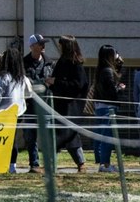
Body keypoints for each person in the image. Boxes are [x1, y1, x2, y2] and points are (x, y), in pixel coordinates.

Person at [45, 34, 88, 172]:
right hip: (60, 103)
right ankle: (52, 164)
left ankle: (80, 163)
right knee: (59, 134)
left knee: (69, 134)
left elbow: (78, 85)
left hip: (71, 105)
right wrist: (52, 83)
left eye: (61, 44)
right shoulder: (63, 61)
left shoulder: (76, 64)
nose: (59, 47)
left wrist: (56, 82)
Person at [0, 48, 29, 172]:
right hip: (18, 113)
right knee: (12, 140)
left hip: (3, 114)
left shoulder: (4, 77)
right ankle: (12, 166)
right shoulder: (22, 78)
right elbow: (29, 93)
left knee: (0, 140)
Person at [21, 33, 54, 173]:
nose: (43, 46)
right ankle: (34, 164)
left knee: (47, 135)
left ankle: (49, 163)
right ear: (32, 46)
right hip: (29, 105)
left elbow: (53, 80)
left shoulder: (50, 62)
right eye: (40, 44)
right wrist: (42, 82)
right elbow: (24, 82)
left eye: (43, 43)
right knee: (30, 136)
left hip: (45, 104)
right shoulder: (23, 63)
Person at [92, 44, 125, 172]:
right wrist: (120, 89)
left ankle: (102, 162)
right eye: (115, 53)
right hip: (108, 108)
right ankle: (105, 164)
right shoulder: (108, 71)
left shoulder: (101, 69)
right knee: (107, 137)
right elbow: (112, 92)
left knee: (102, 135)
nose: (117, 55)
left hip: (100, 106)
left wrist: (119, 66)